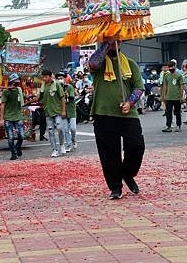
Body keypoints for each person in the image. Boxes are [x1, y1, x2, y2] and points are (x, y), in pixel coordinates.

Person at [88, 41, 145, 200]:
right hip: (103, 114)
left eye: (117, 40)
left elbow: (139, 87)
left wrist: (130, 102)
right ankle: (115, 187)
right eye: (112, 40)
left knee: (137, 146)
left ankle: (127, 173)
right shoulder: (98, 63)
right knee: (109, 154)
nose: (115, 43)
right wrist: (107, 43)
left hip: (128, 115)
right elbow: (92, 63)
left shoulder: (131, 64)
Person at [40, 70, 70, 157]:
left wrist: (63, 110)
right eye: (43, 77)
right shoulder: (43, 86)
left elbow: (62, 97)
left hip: (57, 111)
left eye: (46, 77)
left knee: (60, 128)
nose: (44, 78)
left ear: (50, 76)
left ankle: (61, 145)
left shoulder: (56, 84)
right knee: (50, 131)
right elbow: (40, 97)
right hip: (48, 111)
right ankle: (54, 149)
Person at [1, 74, 25, 160]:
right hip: (8, 117)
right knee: (10, 137)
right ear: (12, 82)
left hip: (18, 115)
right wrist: (1, 119)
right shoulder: (6, 92)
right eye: (15, 81)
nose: (17, 82)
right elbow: (2, 105)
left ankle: (17, 147)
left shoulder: (19, 90)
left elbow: (23, 99)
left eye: (18, 81)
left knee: (22, 135)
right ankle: (13, 153)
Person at [57, 72, 78, 149]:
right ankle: (68, 144)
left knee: (73, 128)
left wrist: (67, 95)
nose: (60, 80)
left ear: (65, 79)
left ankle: (74, 140)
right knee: (65, 129)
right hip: (63, 111)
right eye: (58, 78)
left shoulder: (69, 87)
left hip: (71, 110)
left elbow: (72, 97)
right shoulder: (57, 88)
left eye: (61, 78)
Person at [161, 61, 184, 132]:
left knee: (177, 112)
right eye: (169, 67)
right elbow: (165, 86)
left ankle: (178, 125)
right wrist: (164, 96)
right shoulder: (166, 76)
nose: (170, 68)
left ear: (175, 66)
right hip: (168, 97)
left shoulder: (179, 75)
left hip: (177, 97)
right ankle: (168, 126)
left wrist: (181, 96)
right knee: (168, 112)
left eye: (172, 67)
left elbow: (181, 86)